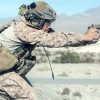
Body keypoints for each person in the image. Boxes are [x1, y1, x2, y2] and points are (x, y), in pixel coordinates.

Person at [0, 1, 99, 100]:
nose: (50, 26)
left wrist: (87, 40)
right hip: (2, 73)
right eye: (48, 22)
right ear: (37, 20)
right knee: (29, 96)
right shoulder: (23, 30)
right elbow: (55, 40)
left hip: (5, 71)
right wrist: (84, 36)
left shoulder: (32, 28)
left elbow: (62, 38)